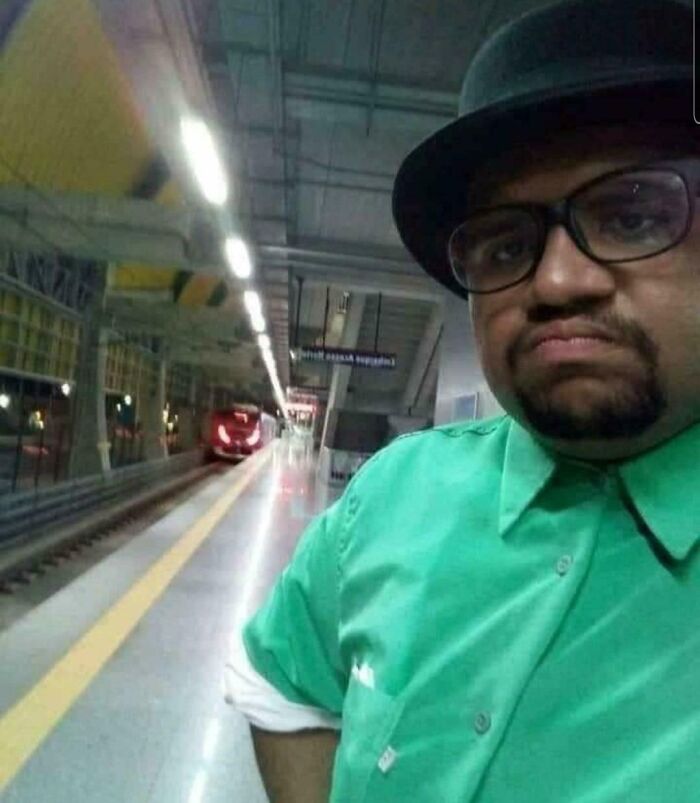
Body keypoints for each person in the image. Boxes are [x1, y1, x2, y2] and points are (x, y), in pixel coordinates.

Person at [226, 0, 700, 800]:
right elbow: (281, 683)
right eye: (507, 245)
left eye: (630, 215)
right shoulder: (391, 493)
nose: (556, 280)